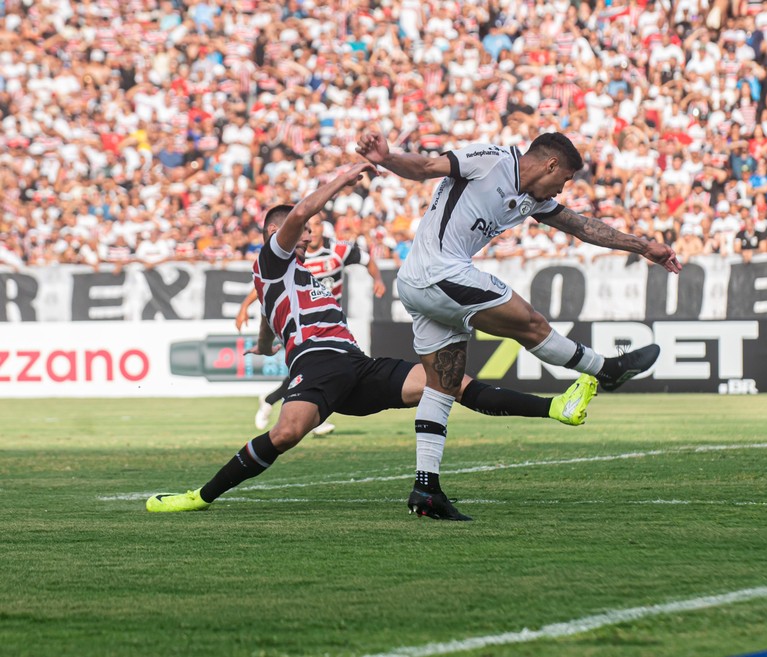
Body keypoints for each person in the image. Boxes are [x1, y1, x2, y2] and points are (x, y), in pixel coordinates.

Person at [147, 162, 599, 517]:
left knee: (447, 382)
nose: (309, 234)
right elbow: (301, 212)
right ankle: (200, 496)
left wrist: (266, 344)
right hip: (319, 362)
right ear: (276, 235)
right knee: (285, 434)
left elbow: (270, 313)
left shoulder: (291, 276)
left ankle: (556, 407)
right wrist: (344, 178)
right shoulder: (272, 259)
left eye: (307, 232)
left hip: (354, 364)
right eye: (302, 231)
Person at [356, 131, 681, 521]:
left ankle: (426, 490)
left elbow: (581, 226)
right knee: (529, 322)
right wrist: (386, 157)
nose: (562, 189)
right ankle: (605, 370)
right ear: (551, 165)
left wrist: (644, 247)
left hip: (420, 285)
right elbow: (426, 167)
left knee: (442, 385)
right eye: (564, 180)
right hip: (438, 273)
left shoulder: (533, 199)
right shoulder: (490, 160)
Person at [236, 213, 387, 436]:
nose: (312, 231)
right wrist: (244, 307)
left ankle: (273, 401)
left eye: (315, 226)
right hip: (302, 323)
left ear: (322, 228)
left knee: (316, 370)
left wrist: (378, 280)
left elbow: (368, 261)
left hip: (330, 323)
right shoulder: (294, 258)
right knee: (316, 368)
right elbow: (266, 286)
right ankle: (314, 415)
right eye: (307, 227)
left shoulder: (339, 250)